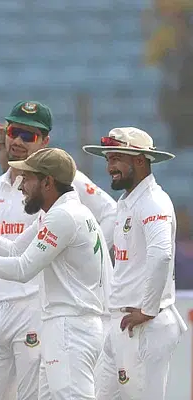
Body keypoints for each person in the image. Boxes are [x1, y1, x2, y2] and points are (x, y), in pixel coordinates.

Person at [0, 101, 116, 400]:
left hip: (47, 312)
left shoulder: (66, 195)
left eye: (27, 135)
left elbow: (23, 267)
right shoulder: (43, 208)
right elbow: (13, 248)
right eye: (13, 132)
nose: (16, 141)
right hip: (30, 314)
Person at [83, 127, 187, 400]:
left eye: (116, 158)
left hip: (143, 328)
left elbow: (162, 254)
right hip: (122, 324)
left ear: (140, 160)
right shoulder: (127, 202)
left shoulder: (154, 202)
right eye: (108, 160)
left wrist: (149, 309)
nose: (109, 167)